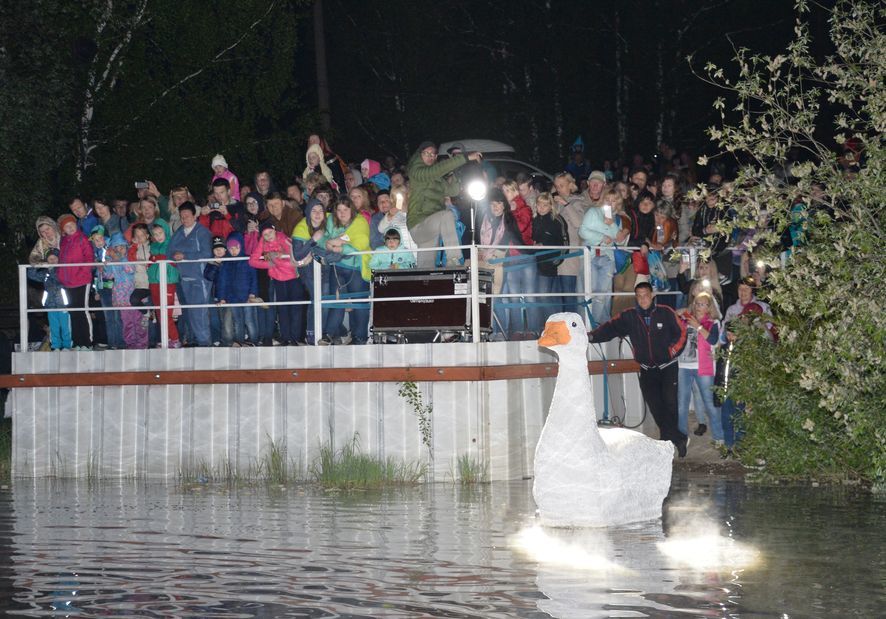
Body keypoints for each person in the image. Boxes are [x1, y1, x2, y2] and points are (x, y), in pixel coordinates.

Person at [589, 282, 689, 456]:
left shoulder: (666, 312)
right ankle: (677, 438)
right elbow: (610, 328)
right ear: (636, 297)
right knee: (655, 407)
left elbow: (681, 332)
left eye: (646, 295)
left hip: (668, 367)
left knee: (670, 404)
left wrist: (671, 351)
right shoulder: (630, 316)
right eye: (639, 295)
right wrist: (590, 336)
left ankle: (666, 444)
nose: (643, 298)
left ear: (652, 295)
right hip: (647, 369)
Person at [406, 141, 482, 268]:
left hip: (433, 226)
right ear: (420, 154)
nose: (430, 156)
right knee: (447, 215)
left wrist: (456, 173)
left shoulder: (438, 179)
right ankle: (454, 259)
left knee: (425, 269)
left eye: (433, 154)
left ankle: (424, 286)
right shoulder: (416, 171)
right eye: (426, 153)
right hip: (418, 224)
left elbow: (453, 191)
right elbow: (436, 170)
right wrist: (465, 157)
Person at [320, 196, 371, 345]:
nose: (342, 213)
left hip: (355, 268)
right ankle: (328, 334)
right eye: (339, 209)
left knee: (359, 303)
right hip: (337, 267)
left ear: (352, 210)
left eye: (345, 209)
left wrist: (341, 248)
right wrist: (331, 245)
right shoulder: (330, 221)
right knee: (337, 301)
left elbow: (362, 241)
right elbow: (323, 239)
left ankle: (360, 337)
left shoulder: (360, 221)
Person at [677, 291, 724, 445]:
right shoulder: (685, 319)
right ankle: (682, 437)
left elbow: (712, 340)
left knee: (710, 404)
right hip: (683, 366)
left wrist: (698, 327)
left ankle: (719, 437)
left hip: (703, 367)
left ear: (709, 307)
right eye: (697, 303)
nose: (699, 307)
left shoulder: (713, 322)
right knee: (681, 404)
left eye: (703, 304)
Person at [249, 221, 305, 346]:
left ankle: (296, 337)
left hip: (293, 277)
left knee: (296, 308)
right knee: (283, 309)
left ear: (275, 230)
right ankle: (286, 338)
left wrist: (275, 259)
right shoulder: (262, 242)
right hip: (278, 279)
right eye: (265, 234)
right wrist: (269, 263)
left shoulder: (283, 238)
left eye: (270, 232)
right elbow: (252, 261)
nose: (268, 236)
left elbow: (293, 260)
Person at [168, 202, 213, 347]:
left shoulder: (203, 232)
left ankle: (205, 343)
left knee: (199, 312)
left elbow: (206, 253)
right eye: (182, 217)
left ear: (195, 216)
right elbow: (169, 252)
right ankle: (195, 341)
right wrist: (175, 256)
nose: (184, 219)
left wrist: (185, 256)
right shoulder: (179, 232)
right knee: (190, 313)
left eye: (187, 216)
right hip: (183, 279)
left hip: (199, 278)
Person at [552, 172, 591, 315]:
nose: (559, 189)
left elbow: (579, 223)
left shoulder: (579, 201)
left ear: (570, 185)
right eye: (556, 186)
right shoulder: (555, 203)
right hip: (555, 255)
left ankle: (572, 328)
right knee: (557, 296)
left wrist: (566, 204)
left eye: (562, 185)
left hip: (571, 256)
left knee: (569, 294)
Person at [57, 213, 94, 350]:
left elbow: (89, 257)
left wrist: (82, 273)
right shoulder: (64, 241)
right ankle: (77, 341)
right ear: (63, 230)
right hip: (67, 282)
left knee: (81, 310)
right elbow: (61, 260)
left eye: (72, 225)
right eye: (67, 226)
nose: (70, 228)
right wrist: (61, 275)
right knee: (73, 311)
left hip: (81, 280)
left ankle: (87, 342)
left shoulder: (82, 239)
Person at [530, 192, 568, 321]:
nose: (541, 207)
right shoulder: (534, 220)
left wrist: (556, 261)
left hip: (549, 262)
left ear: (551, 206)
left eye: (545, 205)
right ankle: (545, 326)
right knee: (538, 297)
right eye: (539, 204)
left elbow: (564, 243)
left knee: (544, 296)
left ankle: (557, 324)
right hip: (534, 263)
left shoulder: (557, 220)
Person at [216, 232, 258, 346]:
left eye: (236, 247)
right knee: (237, 321)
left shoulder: (248, 260)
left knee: (249, 320)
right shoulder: (226, 263)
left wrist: (253, 293)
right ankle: (240, 342)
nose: (233, 250)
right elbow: (222, 282)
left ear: (241, 246)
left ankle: (254, 341)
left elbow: (254, 279)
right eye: (231, 248)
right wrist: (222, 297)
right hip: (232, 297)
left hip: (247, 297)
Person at [146, 221, 181, 348]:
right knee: (159, 313)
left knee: (167, 312)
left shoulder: (172, 245)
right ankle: (166, 339)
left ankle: (175, 339)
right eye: (155, 234)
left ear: (166, 231)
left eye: (160, 232)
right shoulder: (153, 248)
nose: (158, 236)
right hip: (154, 282)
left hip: (167, 281)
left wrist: (158, 258)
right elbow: (151, 262)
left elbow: (173, 260)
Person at [90, 226, 123, 349]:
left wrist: (108, 259)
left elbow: (119, 260)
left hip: (115, 286)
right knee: (108, 317)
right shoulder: (97, 252)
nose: (97, 242)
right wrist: (96, 290)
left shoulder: (111, 248)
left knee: (117, 316)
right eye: (94, 240)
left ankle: (120, 343)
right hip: (103, 288)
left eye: (99, 238)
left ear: (104, 237)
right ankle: (112, 343)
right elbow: (96, 274)